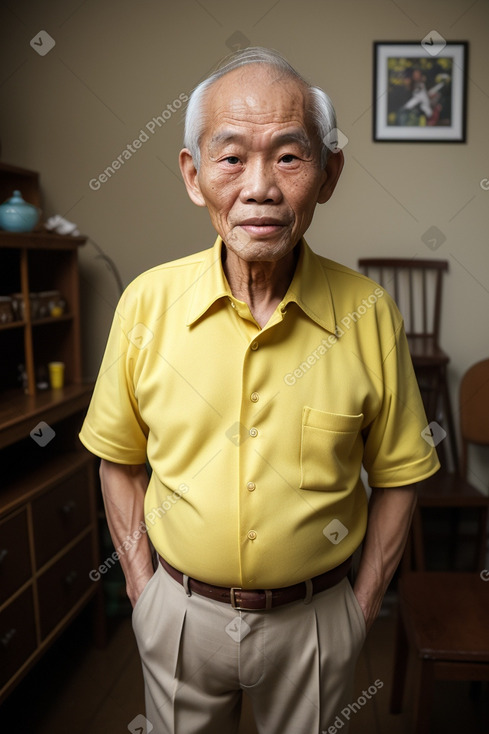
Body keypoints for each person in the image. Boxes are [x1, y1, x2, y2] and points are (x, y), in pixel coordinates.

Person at [79, 47, 440, 734]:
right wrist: (142, 589)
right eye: (231, 157)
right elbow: (118, 460)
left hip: (316, 623)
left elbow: (399, 477)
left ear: (327, 174)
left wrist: (360, 610)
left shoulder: (369, 312)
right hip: (179, 617)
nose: (260, 188)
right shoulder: (145, 305)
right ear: (193, 176)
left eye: (288, 156)